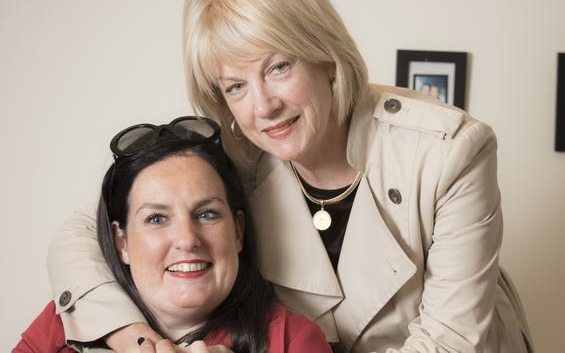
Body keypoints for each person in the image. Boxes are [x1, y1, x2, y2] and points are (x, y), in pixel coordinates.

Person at [47, 0, 533, 352]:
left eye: (279, 67)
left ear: (325, 55)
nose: (264, 107)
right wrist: (129, 334)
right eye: (235, 87)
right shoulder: (239, 152)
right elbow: (83, 232)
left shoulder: (449, 151)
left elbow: (448, 341)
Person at [16, 117, 331, 353]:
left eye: (206, 214)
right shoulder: (67, 324)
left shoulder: (293, 340)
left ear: (238, 232)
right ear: (121, 242)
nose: (187, 239)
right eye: (156, 218)